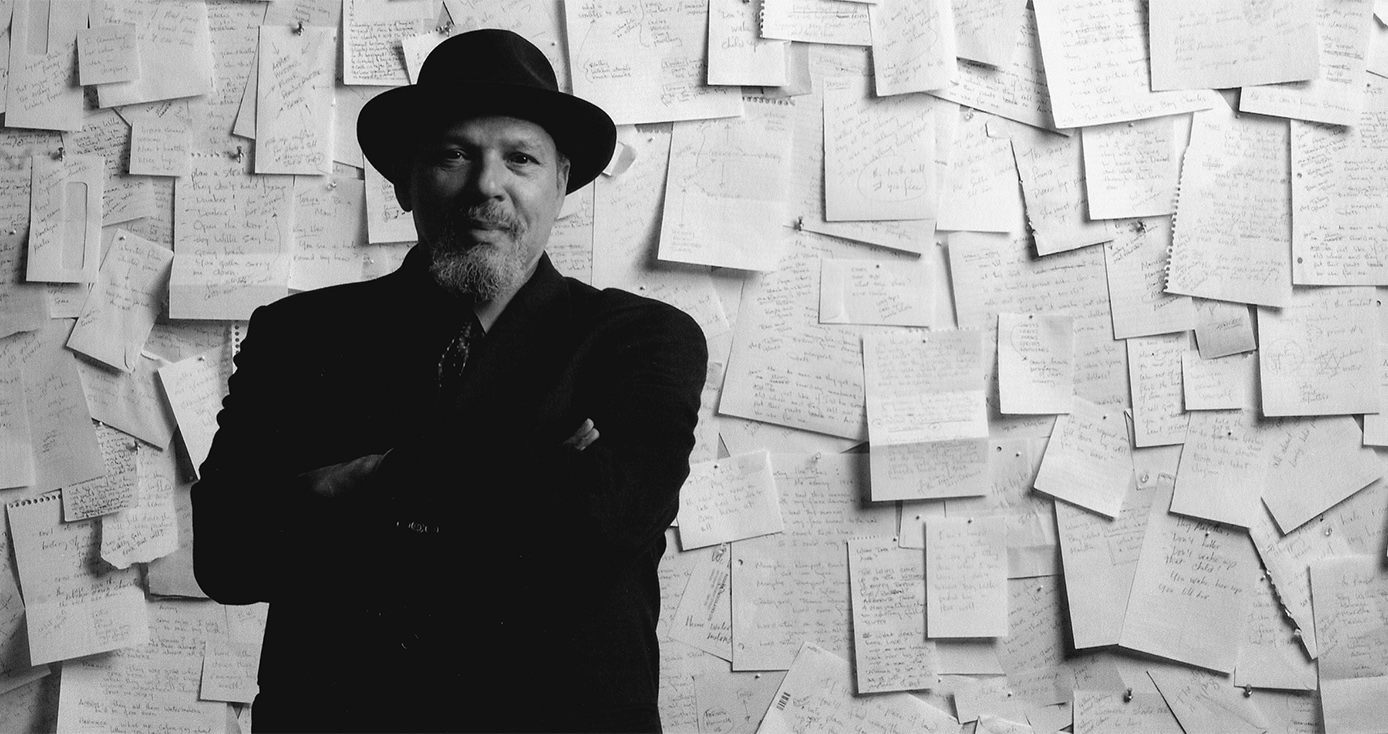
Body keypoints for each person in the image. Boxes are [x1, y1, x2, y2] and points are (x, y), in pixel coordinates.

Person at [191, 29, 708, 733]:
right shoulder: (300, 336)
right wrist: (537, 469)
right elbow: (229, 556)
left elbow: (602, 524)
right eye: (453, 154)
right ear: (404, 181)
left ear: (561, 182)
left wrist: (356, 484)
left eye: (520, 158)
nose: (486, 185)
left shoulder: (640, 339)